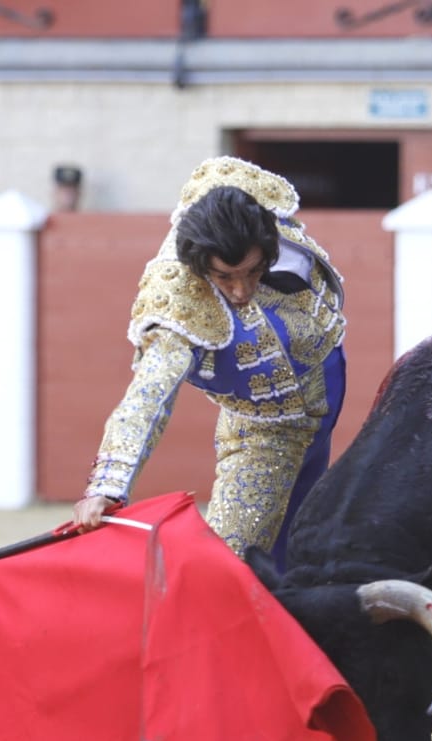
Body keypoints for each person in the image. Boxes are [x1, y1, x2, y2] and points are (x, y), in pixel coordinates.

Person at [72, 156, 348, 568]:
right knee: (230, 568)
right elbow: (148, 395)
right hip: (263, 429)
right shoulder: (177, 304)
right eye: (224, 278)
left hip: (323, 389)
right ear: (201, 268)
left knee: (301, 547)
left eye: (254, 271)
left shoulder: (239, 197)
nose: (241, 291)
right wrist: (107, 485)